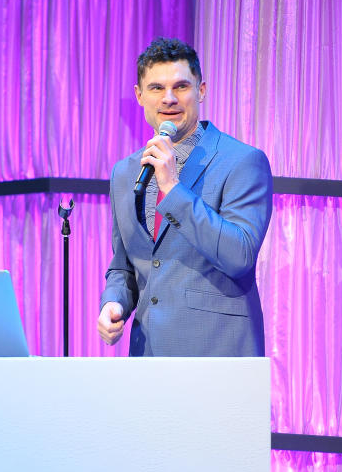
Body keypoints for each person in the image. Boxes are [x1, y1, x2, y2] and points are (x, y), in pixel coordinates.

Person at [97, 37, 273, 356]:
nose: (169, 99)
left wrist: (173, 188)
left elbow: (240, 256)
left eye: (181, 86)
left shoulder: (243, 161)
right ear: (139, 96)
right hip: (148, 356)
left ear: (200, 91)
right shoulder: (124, 172)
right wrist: (114, 301)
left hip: (218, 354)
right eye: (156, 88)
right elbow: (125, 264)